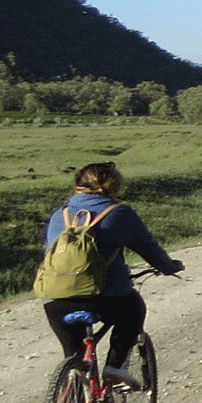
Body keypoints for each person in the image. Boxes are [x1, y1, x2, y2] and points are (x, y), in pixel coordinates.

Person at [42, 162, 185, 387]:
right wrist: (170, 266)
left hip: (55, 300)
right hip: (106, 299)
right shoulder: (120, 213)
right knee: (134, 309)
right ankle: (114, 367)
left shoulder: (60, 215)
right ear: (114, 184)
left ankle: (69, 398)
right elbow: (149, 249)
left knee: (74, 355)